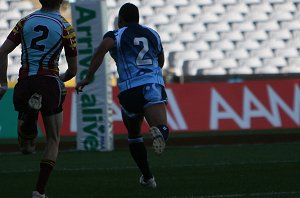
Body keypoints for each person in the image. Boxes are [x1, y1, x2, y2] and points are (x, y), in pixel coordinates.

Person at [76, 3, 169, 188]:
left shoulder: (115, 35)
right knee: (162, 127)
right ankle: (160, 132)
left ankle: (148, 178)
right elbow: (161, 60)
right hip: (152, 86)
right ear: (138, 19)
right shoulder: (153, 34)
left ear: (121, 20)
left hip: (129, 90)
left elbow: (101, 50)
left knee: (134, 135)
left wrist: (88, 77)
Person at [0, 0, 77, 197]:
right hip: (49, 82)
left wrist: (2, 84)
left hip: (25, 82)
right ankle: (39, 191)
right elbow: (73, 70)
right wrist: (58, 80)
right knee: (53, 140)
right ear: (61, 1)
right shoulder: (65, 27)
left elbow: (2, 52)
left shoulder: (25, 21)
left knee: (26, 148)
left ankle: (30, 115)